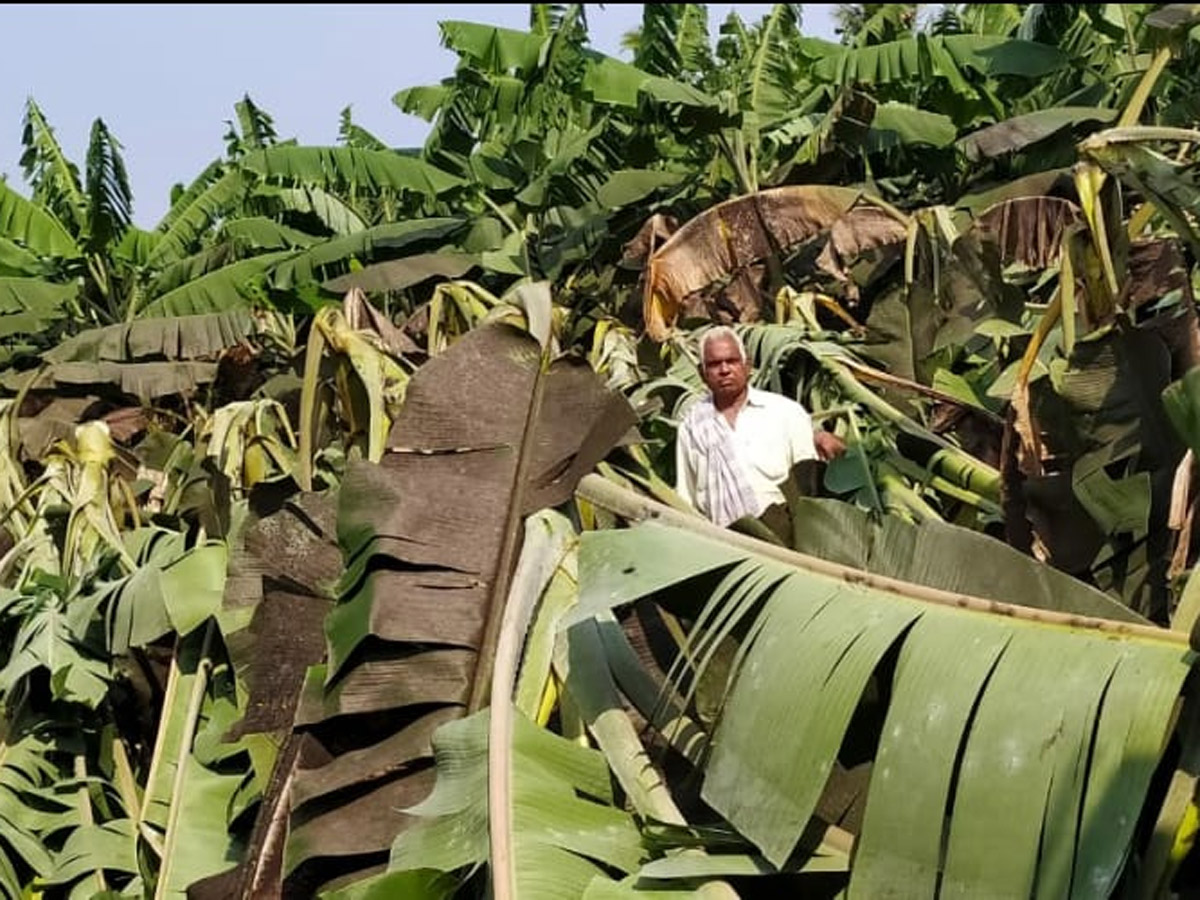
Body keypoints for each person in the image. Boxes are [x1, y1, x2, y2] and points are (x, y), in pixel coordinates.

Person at [675, 326, 845, 527]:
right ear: (702, 374)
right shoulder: (692, 426)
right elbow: (687, 498)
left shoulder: (785, 413)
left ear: (747, 366)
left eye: (731, 361)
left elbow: (808, 485)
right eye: (714, 364)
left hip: (786, 536)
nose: (724, 370)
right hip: (726, 542)